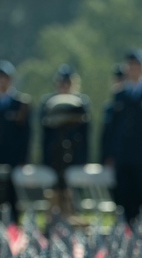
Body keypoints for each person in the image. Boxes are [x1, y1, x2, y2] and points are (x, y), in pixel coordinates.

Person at [104, 49, 142, 221]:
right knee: (122, 199)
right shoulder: (120, 95)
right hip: (122, 157)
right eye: (130, 65)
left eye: (136, 65)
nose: (133, 69)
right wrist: (109, 154)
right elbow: (111, 129)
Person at [0, 61, 31, 218]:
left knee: (12, 195)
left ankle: (13, 230)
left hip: (13, 157)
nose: (2, 81)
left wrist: (23, 158)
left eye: (5, 78)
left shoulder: (20, 104)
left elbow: (26, 134)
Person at [39, 64, 90, 214]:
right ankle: (53, 220)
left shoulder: (81, 103)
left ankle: (73, 216)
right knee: (53, 192)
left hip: (74, 155)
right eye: (62, 82)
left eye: (68, 82)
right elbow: (44, 135)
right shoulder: (48, 102)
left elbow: (85, 134)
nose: (64, 86)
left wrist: (84, 159)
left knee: (73, 193)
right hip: (54, 156)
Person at [101, 63, 126, 164]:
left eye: (121, 79)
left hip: (125, 158)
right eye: (116, 79)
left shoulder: (130, 107)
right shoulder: (109, 107)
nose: (118, 82)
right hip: (110, 159)